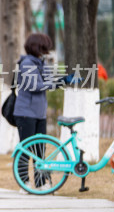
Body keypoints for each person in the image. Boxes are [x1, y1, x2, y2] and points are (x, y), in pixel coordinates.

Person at [14, 33, 73, 190]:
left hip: (39, 113)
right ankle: (24, 183)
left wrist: (63, 80)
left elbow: (48, 81)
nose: (47, 51)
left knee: (40, 150)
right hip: (25, 113)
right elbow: (36, 86)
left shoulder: (41, 63)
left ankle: (40, 183)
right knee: (26, 149)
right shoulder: (26, 64)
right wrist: (61, 82)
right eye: (45, 47)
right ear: (37, 47)